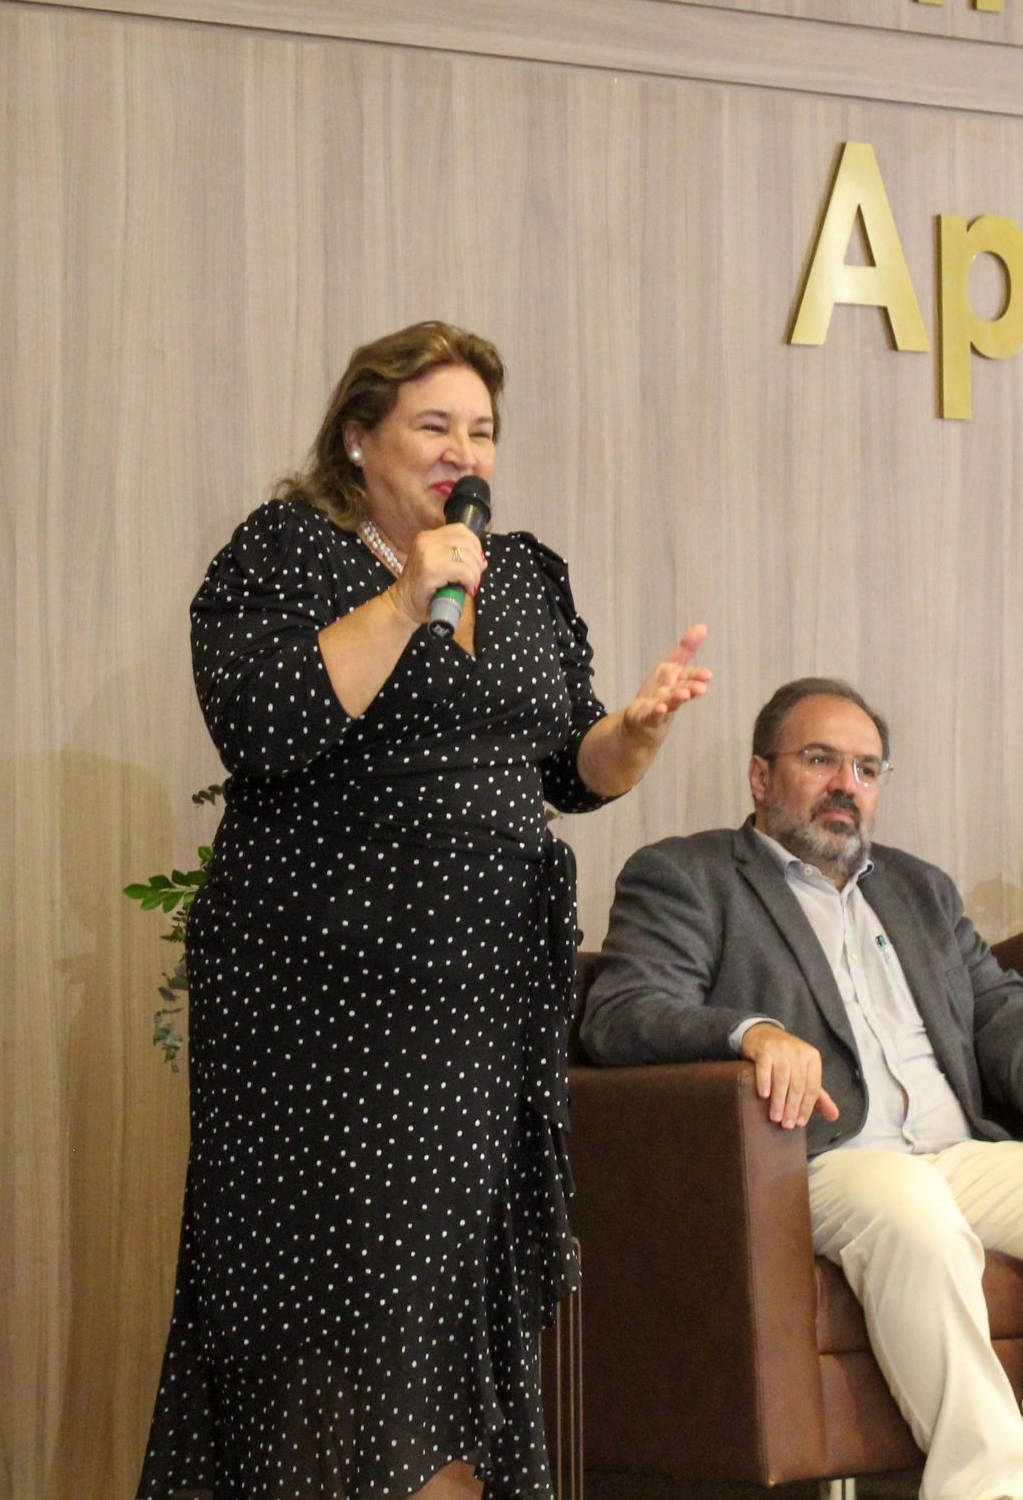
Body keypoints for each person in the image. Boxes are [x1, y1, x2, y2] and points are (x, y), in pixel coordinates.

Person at [139, 320, 710, 1500]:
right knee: (348, 1316)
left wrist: (634, 735)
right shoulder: (289, 552)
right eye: (434, 425)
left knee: (447, 1309)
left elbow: (566, 767)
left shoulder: (527, 576)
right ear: (359, 437)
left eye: (482, 430)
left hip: (485, 1003)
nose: (465, 449)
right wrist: (408, 595)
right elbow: (266, 725)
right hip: (329, 1004)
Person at [578, 678, 1023, 1500]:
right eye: (820, 760)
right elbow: (621, 1013)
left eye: (866, 769)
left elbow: (1003, 1007)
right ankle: (986, 1485)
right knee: (907, 1206)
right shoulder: (690, 876)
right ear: (761, 776)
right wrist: (751, 1033)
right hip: (820, 1157)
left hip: (955, 1151)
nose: (845, 786)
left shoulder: (917, 888)